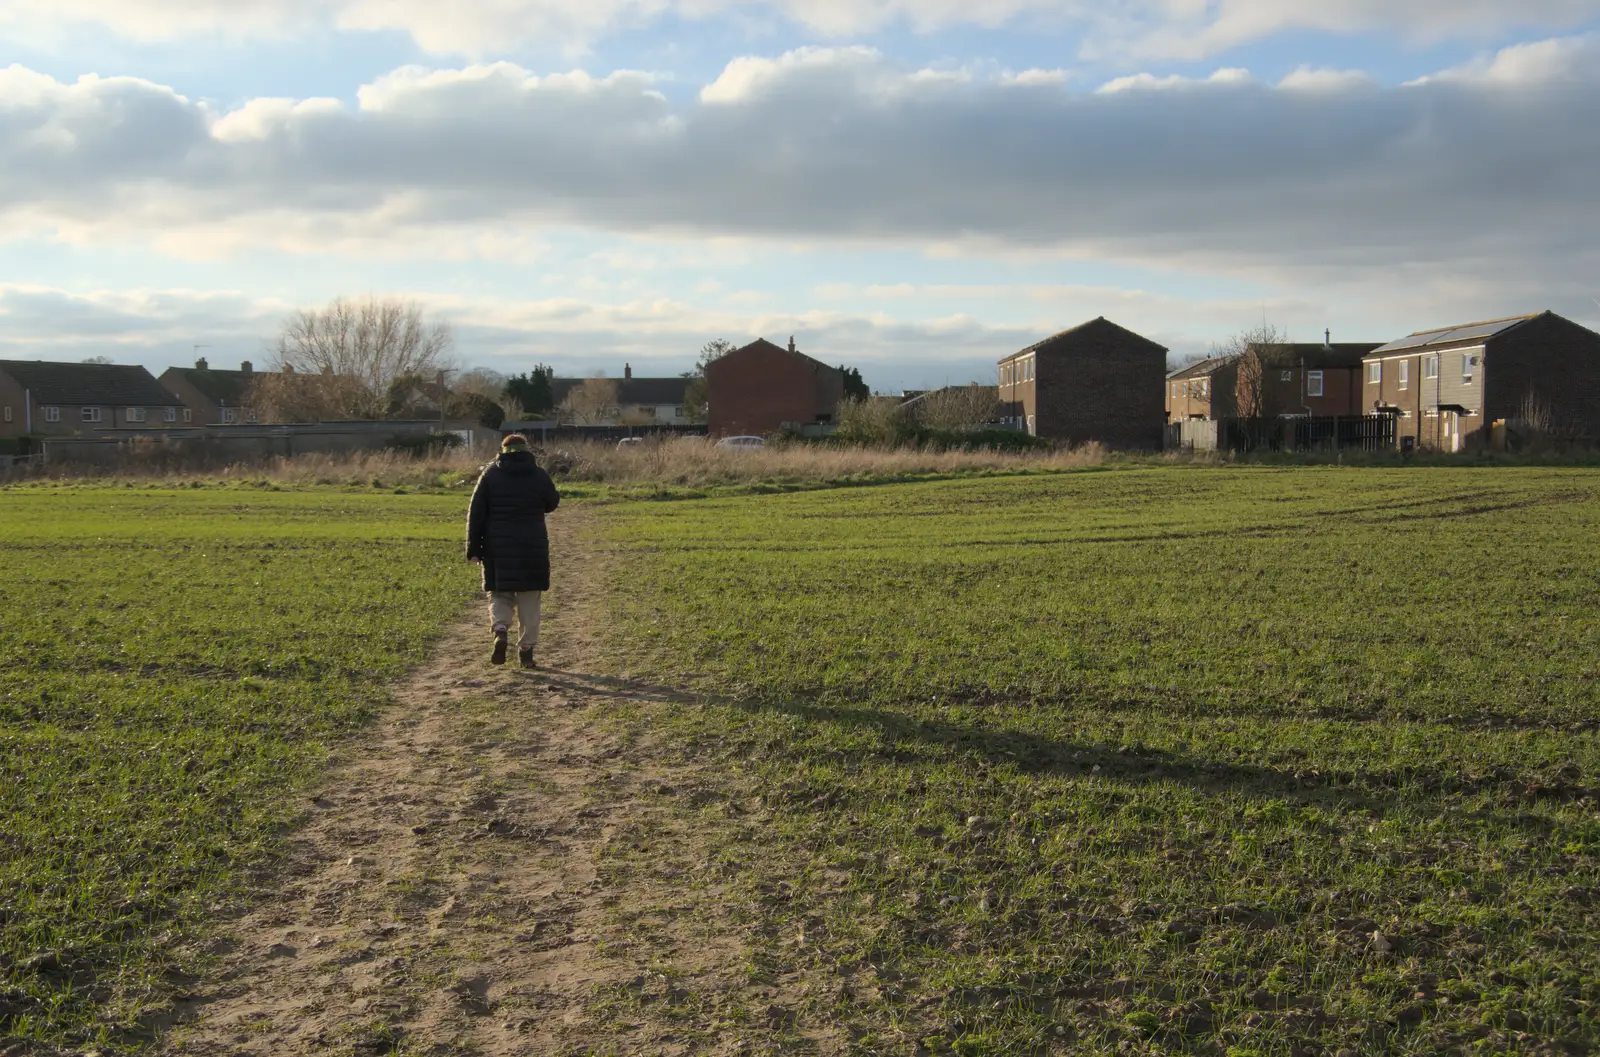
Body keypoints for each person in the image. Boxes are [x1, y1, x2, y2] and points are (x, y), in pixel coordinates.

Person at [466, 434, 561, 668]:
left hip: (497, 547)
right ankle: (526, 651)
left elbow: (476, 512)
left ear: (503, 450)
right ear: (526, 450)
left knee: (499, 593)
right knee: (529, 600)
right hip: (532, 546)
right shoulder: (539, 475)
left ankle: (500, 630)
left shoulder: (490, 474)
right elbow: (552, 502)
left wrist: (473, 548)